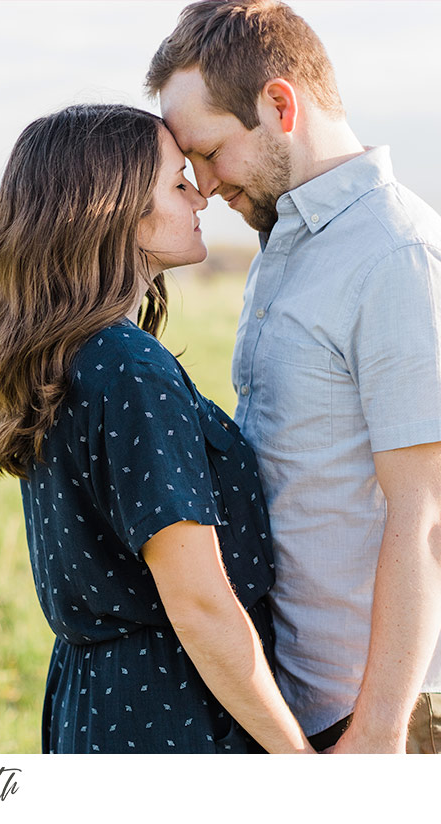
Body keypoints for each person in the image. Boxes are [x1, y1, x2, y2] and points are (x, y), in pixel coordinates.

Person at [0, 103, 313, 754]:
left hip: (97, 696)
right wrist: (300, 762)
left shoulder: (73, 352)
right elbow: (201, 605)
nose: (200, 195)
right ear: (115, 207)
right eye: (178, 182)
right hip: (172, 706)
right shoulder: (129, 369)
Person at [146, 0, 441, 753]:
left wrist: (375, 735)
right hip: (297, 695)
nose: (203, 186)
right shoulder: (286, 244)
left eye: (209, 152)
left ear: (280, 104)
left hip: (376, 712)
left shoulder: (394, 254)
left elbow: (428, 516)